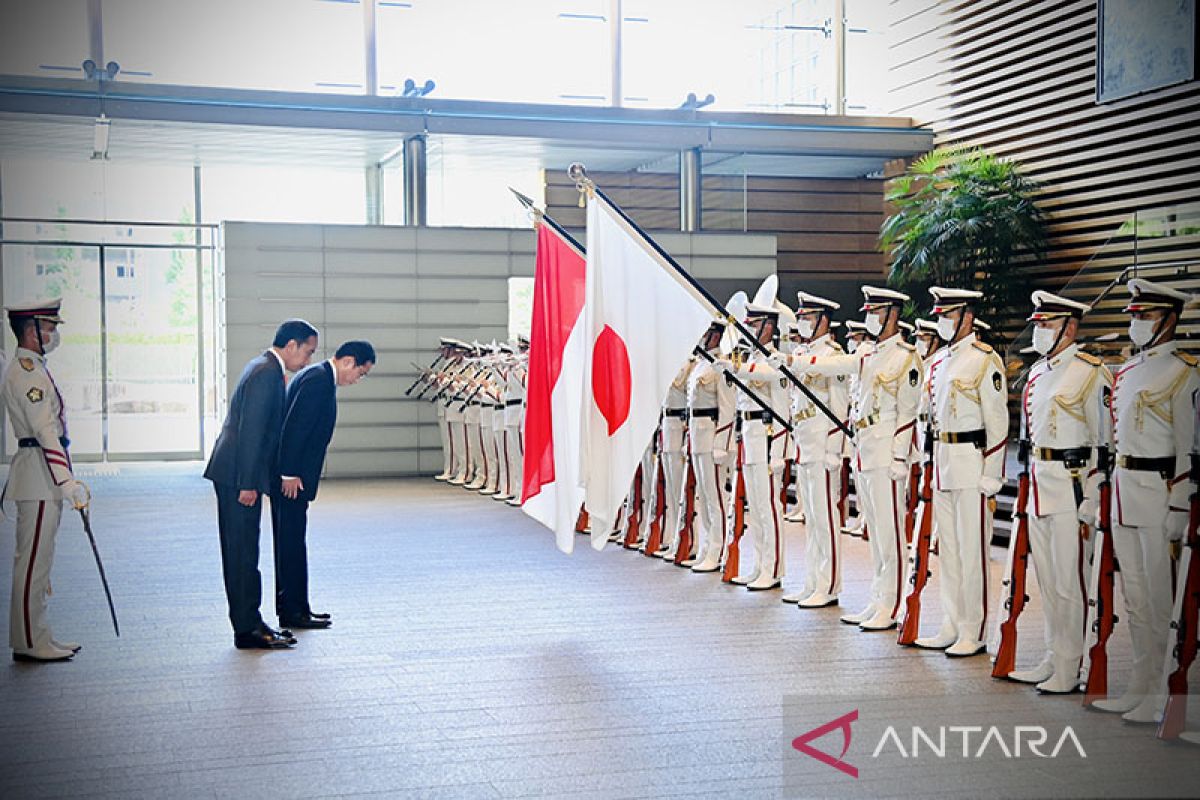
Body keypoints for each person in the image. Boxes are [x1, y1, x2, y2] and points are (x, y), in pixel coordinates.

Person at [782, 287, 921, 631]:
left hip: (886, 455)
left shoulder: (905, 357)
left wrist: (900, 456)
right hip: (864, 451)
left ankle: (892, 606)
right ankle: (878, 598)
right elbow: (838, 367)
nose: (870, 316)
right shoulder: (867, 353)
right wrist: (791, 361)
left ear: (892, 314)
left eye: (876, 311)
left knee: (890, 536)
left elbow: (908, 413)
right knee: (876, 534)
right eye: (869, 310)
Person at [1094, 279, 1199, 721]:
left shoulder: (1185, 371)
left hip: (1159, 491)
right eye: (1133, 315)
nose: (1136, 323)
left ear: (1170, 319)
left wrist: (1180, 503)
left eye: (1145, 315)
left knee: (1159, 597)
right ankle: (1140, 684)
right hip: (1125, 490)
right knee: (1135, 596)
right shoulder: (1130, 371)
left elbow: (1186, 445)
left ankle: (1163, 693)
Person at [1007, 291, 1110, 693]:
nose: (1039, 330)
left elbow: (1104, 441)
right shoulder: (1037, 372)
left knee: (1071, 581)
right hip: (1040, 483)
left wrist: (1092, 493)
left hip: (1071, 486)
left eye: (1047, 323)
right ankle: (1054, 655)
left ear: (1069, 327)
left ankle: (1073, 664)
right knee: (1048, 580)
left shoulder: (1090, 371)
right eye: (1037, 323)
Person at [204, 319, 318, 650]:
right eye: (307, 352)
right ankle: (247, 628)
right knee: (241, 553)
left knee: (245, 550)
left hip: (236, 473)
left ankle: (251, 620)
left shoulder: (262, 366)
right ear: (292, 345)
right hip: (238, 476)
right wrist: (248, 483)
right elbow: (252, 433)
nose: (308, 360)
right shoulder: (267, 373)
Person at [916, 287, 1008, 657]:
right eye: (939, 314)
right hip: (944, 462)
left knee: (973, 552)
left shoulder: (985, 360)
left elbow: (998, 421)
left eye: (949, 314)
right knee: (950, 552)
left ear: (967, 317)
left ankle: (975, 629)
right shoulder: (938, 363)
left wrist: (993, 472)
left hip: (971, 463)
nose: (942, 321)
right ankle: (951, 623)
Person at [2, 299, 90, 663]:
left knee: (40, 561)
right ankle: (27, 641)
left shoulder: (33, 369)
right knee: (32, 563)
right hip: (38, 476)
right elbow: (45, 432)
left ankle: (37, 634)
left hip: (41, 474)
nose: (53, 334)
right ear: (30, 330)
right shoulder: (26, 372)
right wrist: (68, 484)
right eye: (49, 327)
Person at [272, 340, 375, 630]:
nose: (358, 380)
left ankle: (296, 606)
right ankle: (294, 611)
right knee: (291, 544)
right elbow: (295, 427)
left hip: (296, 476)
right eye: (361, 373)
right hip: (292, 479)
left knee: (292, 543)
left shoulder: (318, 377)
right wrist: (289, 472)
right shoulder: (318, 380)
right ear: (348, 361)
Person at [781, 292, 849, 609]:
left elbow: (839, 406)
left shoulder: (833, 354)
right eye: (802, 317)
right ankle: (812, 581)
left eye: (808, 318)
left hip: (823, 447)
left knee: (825, 519)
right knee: (811, 520)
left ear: (823, 319)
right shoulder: (802, 352)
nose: (803, 322)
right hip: (805, 445)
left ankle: (829, 584)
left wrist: (834, 449)